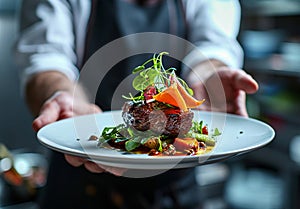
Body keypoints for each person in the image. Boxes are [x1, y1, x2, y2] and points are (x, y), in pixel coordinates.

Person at [14, 0, 259, 208]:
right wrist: (62, 95)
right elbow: (45, 58)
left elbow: (213, 45)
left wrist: (210, 77)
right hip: (78, 181)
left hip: (175, 187)